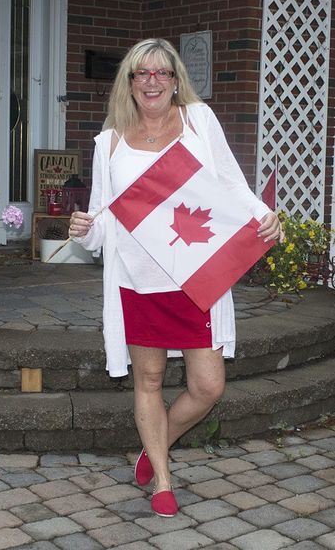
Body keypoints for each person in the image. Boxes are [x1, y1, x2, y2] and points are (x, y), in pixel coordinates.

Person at [69, 38, 282, 518]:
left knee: (208, 386)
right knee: (149, 378)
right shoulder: (111, 142)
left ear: (175, 80)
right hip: (138, 279)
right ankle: (163, 480)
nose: (152, 82)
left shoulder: (198, 123)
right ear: (129, 83)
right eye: (141, 73)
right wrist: (84, 229)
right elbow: (102, 222)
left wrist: (265, 216)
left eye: (162, 73)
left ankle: (154, 445)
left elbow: (230, 183)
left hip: (195, 276)